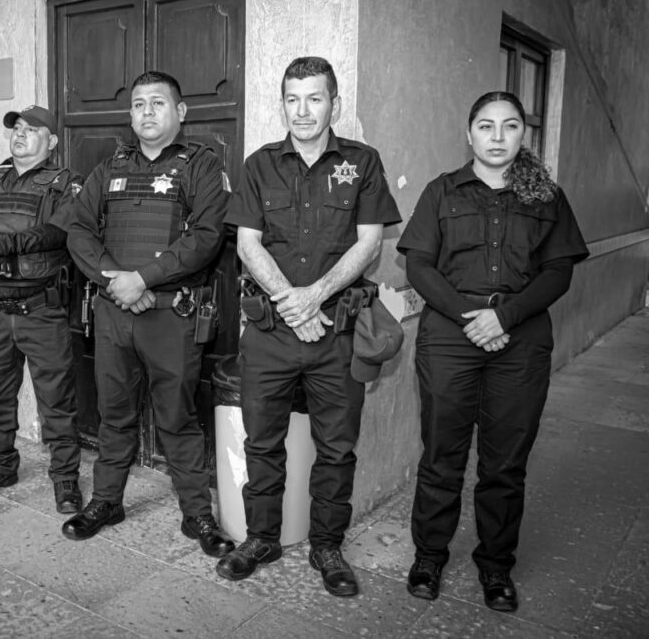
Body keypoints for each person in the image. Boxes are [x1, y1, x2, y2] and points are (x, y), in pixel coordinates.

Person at [397, 91, 588, 612]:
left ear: (523, 133)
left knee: (505, 462)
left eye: (509, 126)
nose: (497, 136)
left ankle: (496, 565)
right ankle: (429, 557)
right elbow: (418, 266)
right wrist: (472, 317)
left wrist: (504, 317)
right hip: (450, 338)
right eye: (486, 126)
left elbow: (559, 271)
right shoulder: (441, 192)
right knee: (442, 455)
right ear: (469, 134)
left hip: (520, 340)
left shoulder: (546, 196)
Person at [218, 57, 401, 595]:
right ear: (282, 105)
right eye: (292, 99)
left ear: (333, 104)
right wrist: (292, 305)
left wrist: (314, 297)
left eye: (314, 98)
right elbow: (247, 244)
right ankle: (261, 538)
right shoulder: (259, 165)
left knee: (337, 448)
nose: (302, 110)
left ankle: (327, 546)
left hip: (337, 334)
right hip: (270, 335)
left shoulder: (362, 162)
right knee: (262, 443)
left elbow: (370, 242)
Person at [63, 71, 234, 558]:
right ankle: (106, 502)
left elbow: (206, 237)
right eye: (138, 104)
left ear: (180, 112)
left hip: (171, 316)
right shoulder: (109, 167)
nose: (146, 112)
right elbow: (78, 230)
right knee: (114, 415)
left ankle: (197, 514)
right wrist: (117, 280)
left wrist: (144, 278)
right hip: (115, 311)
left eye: (157, 103)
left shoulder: (203, 166)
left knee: (177, 417)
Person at [0, 105, 84, 513]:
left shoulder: (67, 183)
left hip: (40, 310)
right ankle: (0, 465)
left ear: (52, 141)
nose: (20, 134)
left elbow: (59, 231)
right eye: (17, 128)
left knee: (56, 399)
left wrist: (7, 244)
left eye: (32, 129)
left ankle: (65, 478)